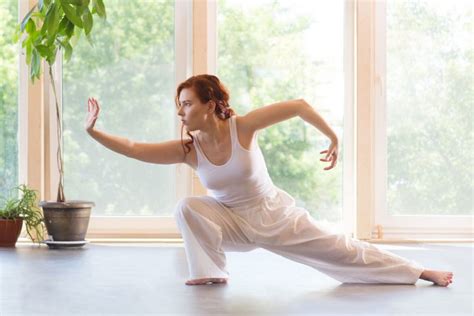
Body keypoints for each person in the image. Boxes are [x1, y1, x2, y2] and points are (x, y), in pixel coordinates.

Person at [85, 74, 453, 287]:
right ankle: (211, 273)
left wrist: (333, 137)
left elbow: (298, 105)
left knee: (344, 251)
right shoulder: (189, 149)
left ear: (211, 105)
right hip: (233, 225)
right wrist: (94, 131)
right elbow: (135, 148)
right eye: (179, 105)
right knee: (188, 206)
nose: (180, 111)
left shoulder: (241, 127)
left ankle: (421, 271)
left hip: (277, 218)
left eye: (187, 103)